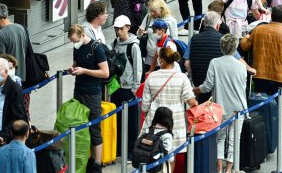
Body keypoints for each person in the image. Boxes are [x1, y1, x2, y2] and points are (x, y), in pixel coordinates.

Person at [194, 34, 247, 173]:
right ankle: (229, 169)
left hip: (220, 108)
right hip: (238, 108)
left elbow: (207, 86)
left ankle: (219, 168)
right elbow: (243, 87)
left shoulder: (215, 63)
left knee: (220, 138)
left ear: (221, 47)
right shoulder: (241, 66)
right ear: (235, 47)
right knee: (234, 139)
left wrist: (195, 90)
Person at [141, 47, 198, 169]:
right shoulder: (182, 77)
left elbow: (145, 104)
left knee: (152, 152)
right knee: (171, 154)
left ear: (161, 60)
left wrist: (147, 116)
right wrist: (196, 104)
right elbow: (191, 101)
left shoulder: (151, 77)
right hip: (174, 122)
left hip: (154, 121)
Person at [67, 24, 109, 172]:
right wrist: (72, 69)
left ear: (83, 34)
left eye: (75, 40)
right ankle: (85, 158)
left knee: (94, 128)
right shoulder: (77, 48)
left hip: (93, 93)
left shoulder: (96, 48)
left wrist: (84, 71)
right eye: (72, 41)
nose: (74, 43)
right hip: (78, 91)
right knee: (79, 126)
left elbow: (105, 73)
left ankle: (97, 163)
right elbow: (76, 64)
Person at [110, 15, 142, 159]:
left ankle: (130, 150)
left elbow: (138, 68)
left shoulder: (133, 46)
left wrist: (135, 88)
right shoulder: (115, 44)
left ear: (128, 28)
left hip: (129, 89)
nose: (118, 32)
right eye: (116, 29)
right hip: (116, 88)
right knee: (117, 119)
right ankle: (118, 147)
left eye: (121, 29)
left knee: (131, 122)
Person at [0, 57, 27, 144]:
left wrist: (4, 134)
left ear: (6, 72)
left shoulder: (14, 89)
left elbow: (18, 116)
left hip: (7, 139)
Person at [187, 12, 224, 103]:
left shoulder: (194, 39)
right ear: (217, 26)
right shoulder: (223, 39)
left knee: (202, 110)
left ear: (204, 24)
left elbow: (187, 63)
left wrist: (192, 78)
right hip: (217, 84)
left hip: (199, 83)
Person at [138, 0, 179, 74]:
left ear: (161, 9)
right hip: (149, 58)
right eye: (150, 10)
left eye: (154, 11)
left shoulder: (171, 20)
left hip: (164, 60)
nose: (152, 13)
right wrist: (140, 32)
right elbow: (139, 34)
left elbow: (175, 40)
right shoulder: (149, 17)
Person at [0, 4, 28, 81]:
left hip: (8, 77)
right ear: (7, 15)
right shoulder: (21, 28)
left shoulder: (0, 35)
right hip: (22, 74)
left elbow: (0, 60)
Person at [141, 107, 175, 172]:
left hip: (147, 164)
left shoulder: (148, 131)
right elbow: (169, 156)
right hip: (160, 167)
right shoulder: (167, 135)